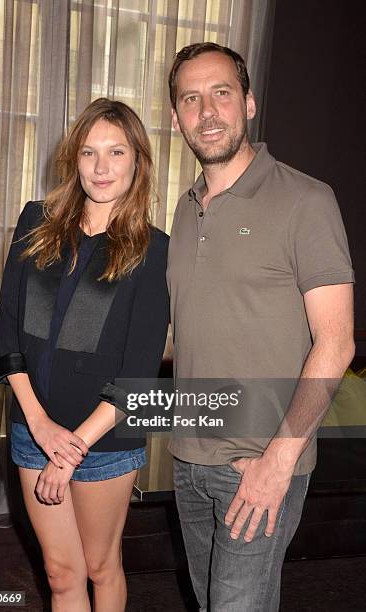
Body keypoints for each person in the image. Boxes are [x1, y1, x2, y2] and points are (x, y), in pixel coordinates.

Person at [167, 42, 355, 611]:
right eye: (190, 98)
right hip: (188, 461)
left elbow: (337, 343)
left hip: (260, 461)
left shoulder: (306, 200)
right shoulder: (183, 208)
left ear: (248, 103)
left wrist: (280, 461)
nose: (206, 111)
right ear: (176, 118)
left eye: (221, 93)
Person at [0, 98, 169, 612]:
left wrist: (72, 449)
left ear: (138, 160)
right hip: (33, 430)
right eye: (89, 152)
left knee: (99, 566)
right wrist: (41, 427)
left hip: (106, 440)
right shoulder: (36, 221)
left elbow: (137, 373)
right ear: (74, 157)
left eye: (116, 152)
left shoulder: (153, 249)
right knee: (60, 572)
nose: (101, 167)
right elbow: (8, 334)